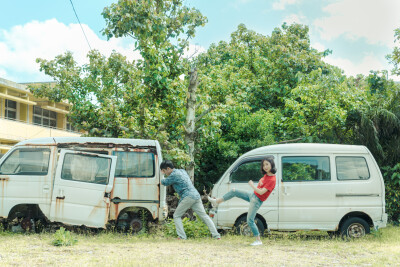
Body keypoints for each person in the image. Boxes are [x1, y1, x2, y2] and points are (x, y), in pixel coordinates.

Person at [208, 157, 276, 246]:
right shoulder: (266, 175)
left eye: (267, 164)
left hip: (257, 200)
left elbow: (261, 192)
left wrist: (252, 185)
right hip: (253, 195)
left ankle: (258, 240)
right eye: (263, 165)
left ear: (272, 164)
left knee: (250, 220)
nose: (265, 167)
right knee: (234, 191)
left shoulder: (272, 179)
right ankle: (217, 201)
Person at [160, 160, 221, 240]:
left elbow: (164, 182)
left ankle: (182, 237)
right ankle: (216, 236)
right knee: (204, 216)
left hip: (188, 196)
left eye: (164, 171)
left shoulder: (173, 175)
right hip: (196, 195)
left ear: (168, 168)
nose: (164, 173)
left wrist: (160, 175)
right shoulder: (182, 171)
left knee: (176, 215)